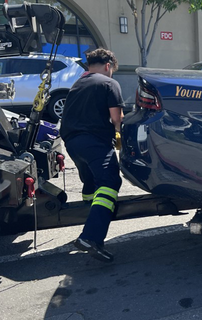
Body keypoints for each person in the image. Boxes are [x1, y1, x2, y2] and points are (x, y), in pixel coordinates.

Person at [60, 48, 124, 262]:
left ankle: (91, 212)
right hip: (94, 141)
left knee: (91, 183)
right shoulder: (109, 83)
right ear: (108, 66)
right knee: (110, 181)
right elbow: (117, 118)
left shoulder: (78, 84)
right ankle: (91, 237)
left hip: (72, 143)